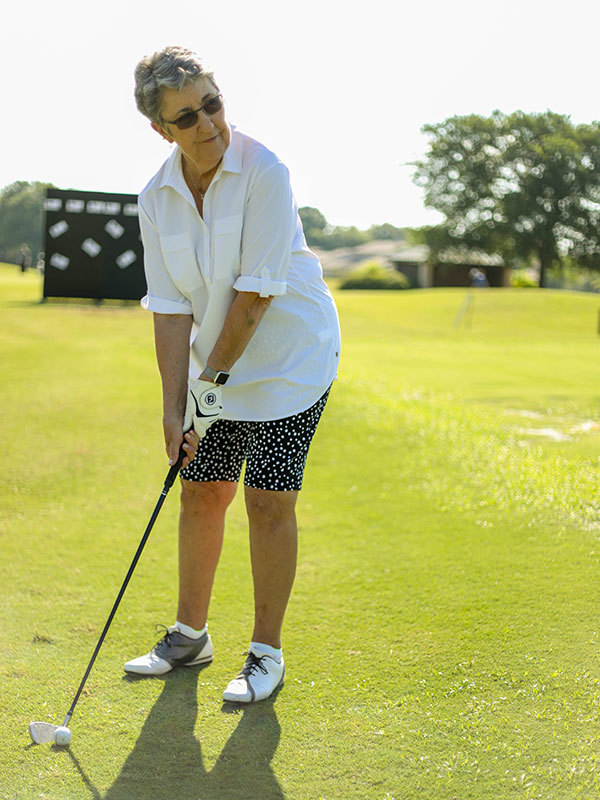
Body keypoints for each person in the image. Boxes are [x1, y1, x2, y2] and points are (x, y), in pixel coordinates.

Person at [126, 46, 340, 704]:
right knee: (201, 492)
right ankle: (190, 635)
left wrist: (208, 386)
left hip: (289, 364)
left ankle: (264, 654)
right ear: (162, 130)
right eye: (187, 116)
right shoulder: (155, 198)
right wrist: (174, 410)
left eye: (212, 104)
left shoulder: (263, 171)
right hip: (218, 370)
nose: (209, 124)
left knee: (267, 500)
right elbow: (167, 312)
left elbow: (255, 297)